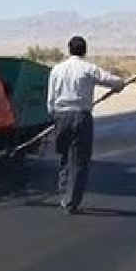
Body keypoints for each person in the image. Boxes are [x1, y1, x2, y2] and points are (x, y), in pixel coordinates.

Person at [46, 36, 125, 213]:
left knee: (65, 157)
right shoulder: (88, 68)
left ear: (69, 49)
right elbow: (110, 80)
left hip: (61, 116)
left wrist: (54, 115)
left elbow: (51, 98)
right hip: (81, 116)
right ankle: (72, 201)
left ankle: (64, 197)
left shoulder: (57, 69)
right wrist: (120, 83)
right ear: (85, 50)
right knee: (80, 160)